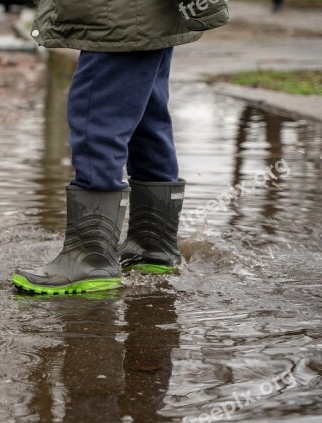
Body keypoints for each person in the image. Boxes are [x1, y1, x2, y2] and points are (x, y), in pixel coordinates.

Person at [12, 0, 230, 295]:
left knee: (96, 115)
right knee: (147, 118)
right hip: (146, 15)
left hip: (118, 16)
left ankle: (89, 259)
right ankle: (152, 246)